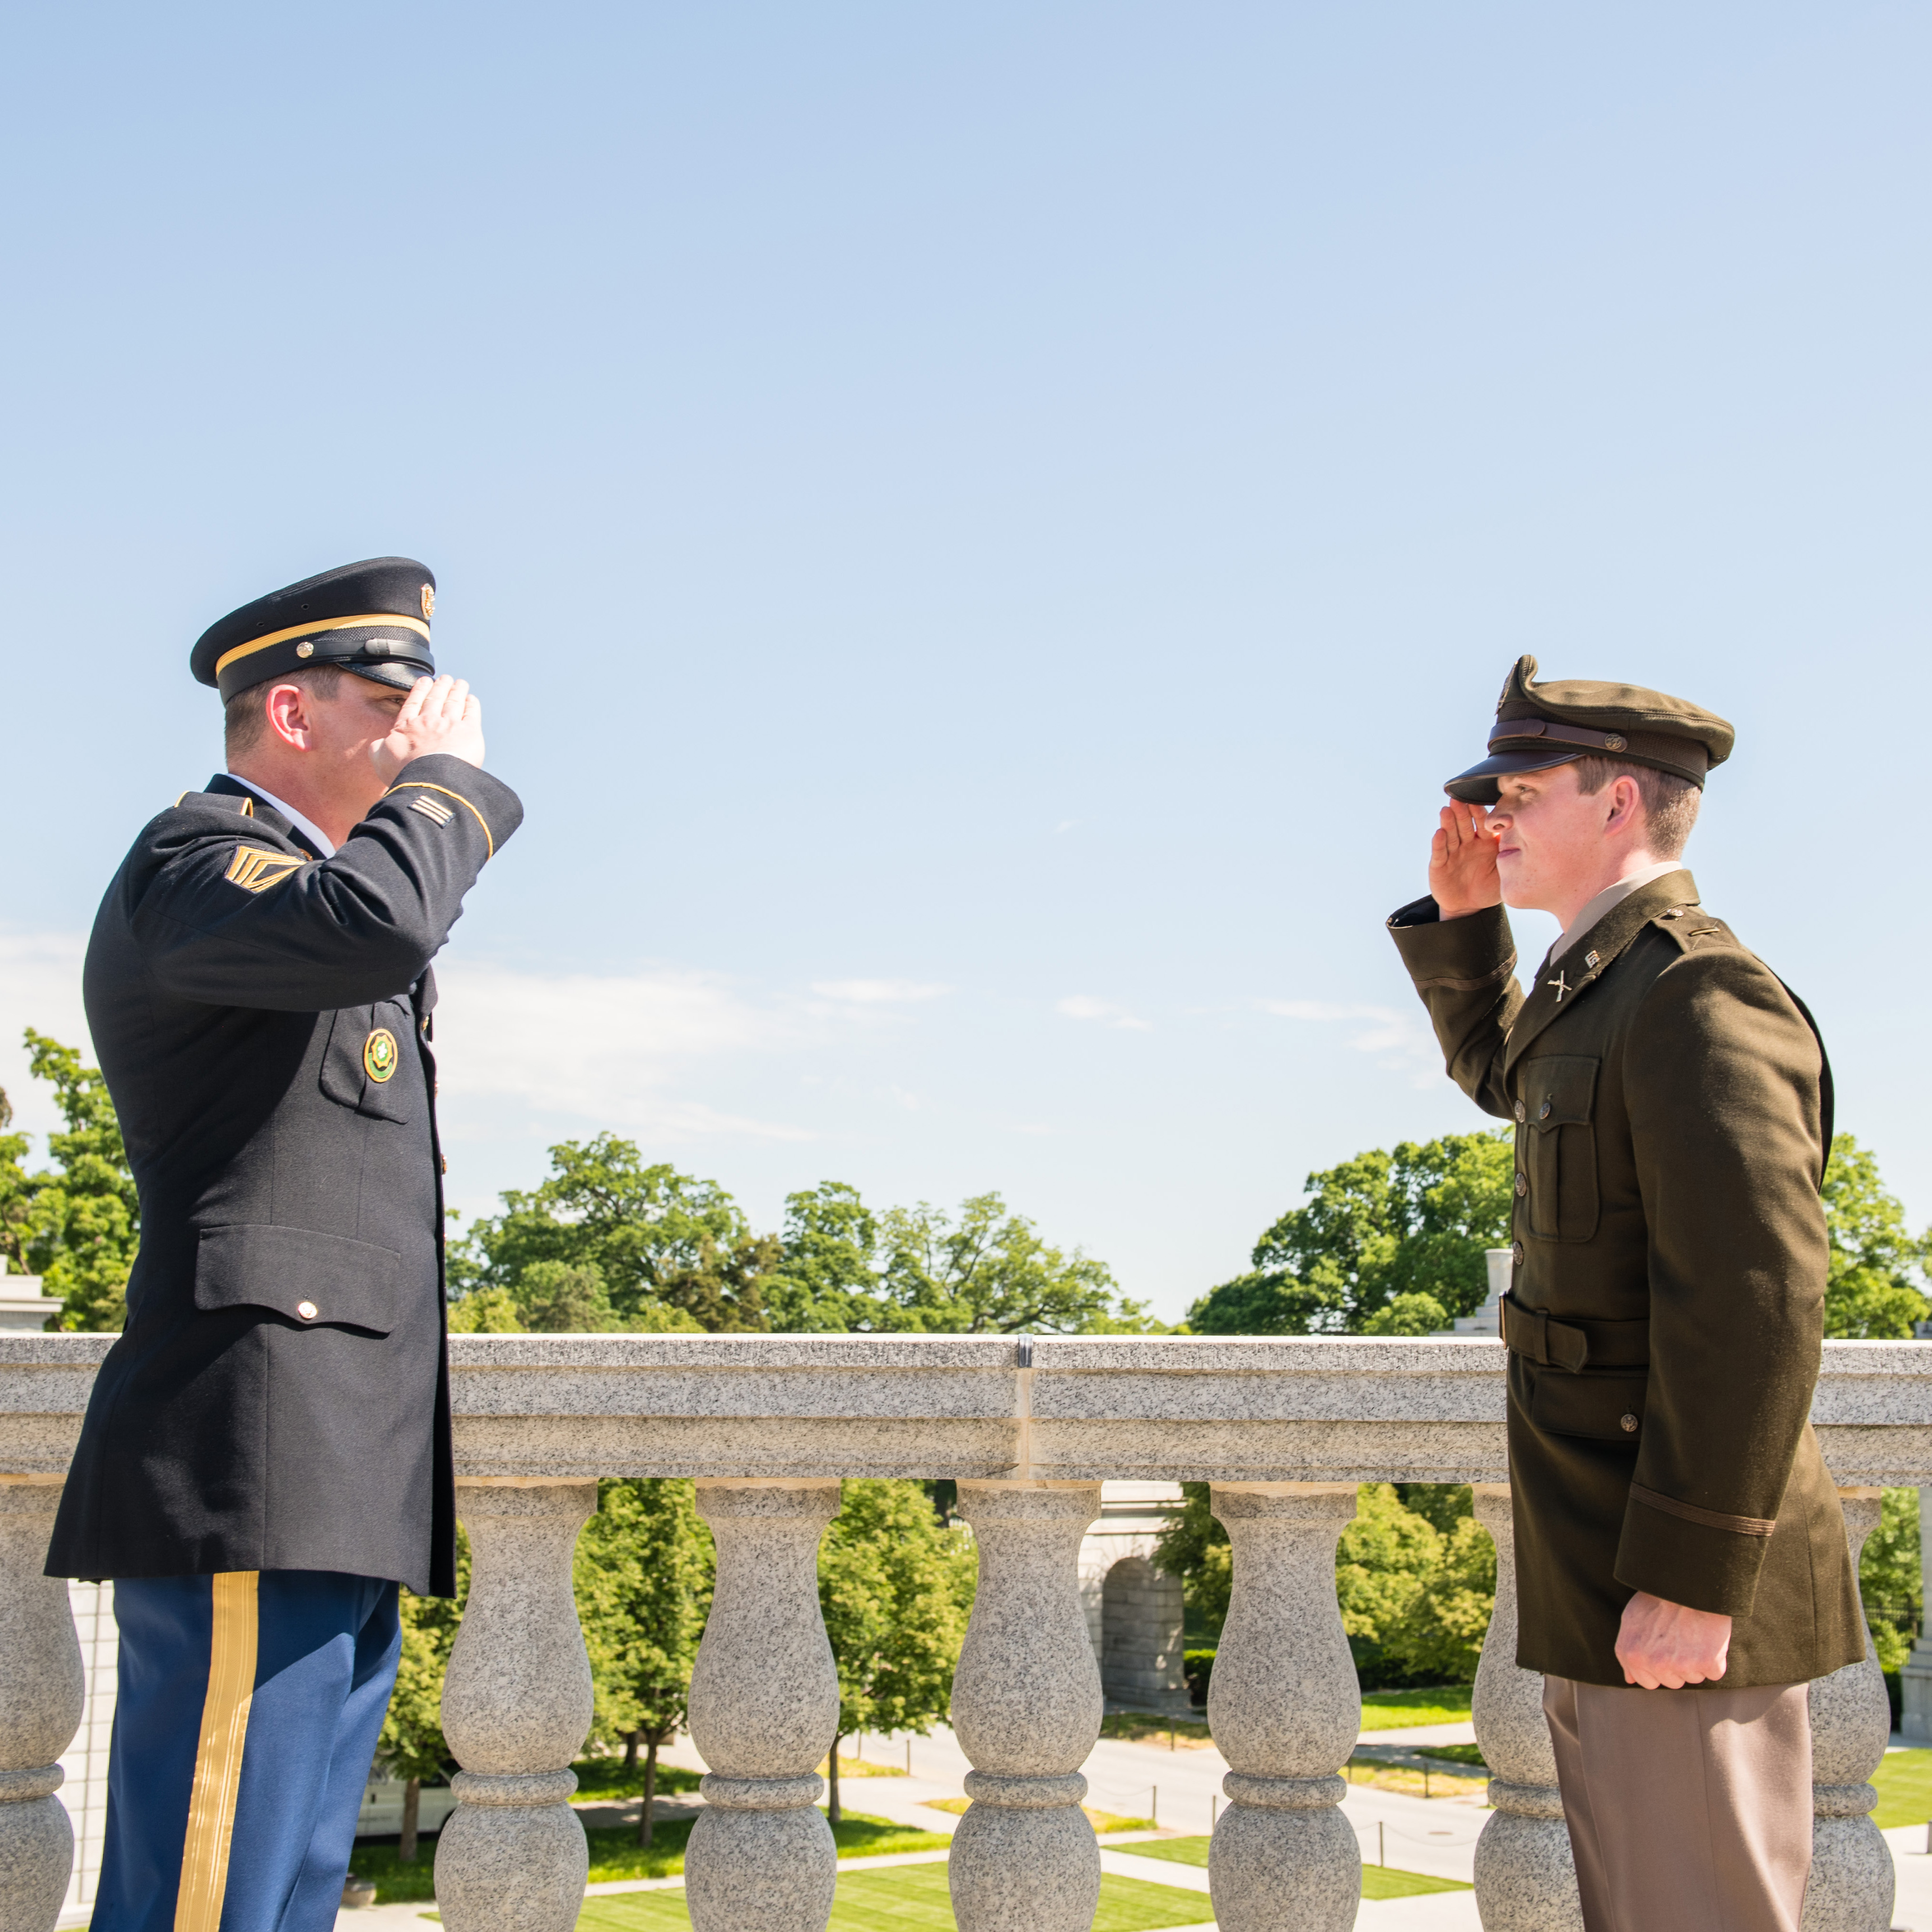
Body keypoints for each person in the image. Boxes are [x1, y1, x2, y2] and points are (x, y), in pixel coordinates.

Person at [46, 557, 523, 1932]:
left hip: (336, 1457)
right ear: (294, 717)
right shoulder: (194, 860)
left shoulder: (288, 894)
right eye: (392, 702)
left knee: (295, 1878)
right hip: (253, 1449)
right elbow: (378, 919)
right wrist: (451, 790)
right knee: (215, 1882)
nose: (422, 729)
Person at [1386, 655, 1861, 1932]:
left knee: (1697, 1912)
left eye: (1522, 793)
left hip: (1671, 1559)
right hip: (1605, 1541)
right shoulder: (1598, 984)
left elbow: (1757, 1302)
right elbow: (1518, 1080)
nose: (1496, 820)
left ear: (1616, 805)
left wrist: (1696, 1576)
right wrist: (1467, 918)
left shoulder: (1701, 992)